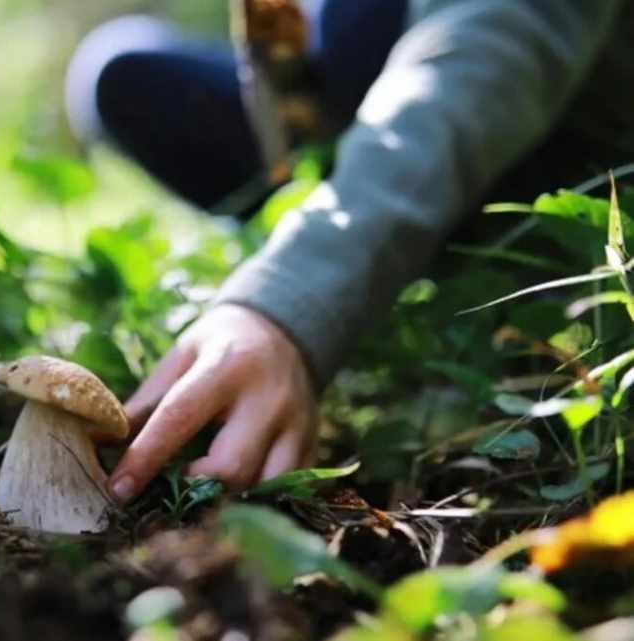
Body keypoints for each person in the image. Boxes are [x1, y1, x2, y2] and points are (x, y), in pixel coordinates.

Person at [63, 0, 634, 504]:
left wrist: (285, 305)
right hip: (343, 101)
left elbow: (485, 50)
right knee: (119, 68)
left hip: (523, 132)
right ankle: (328, 177)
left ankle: (385, 228)